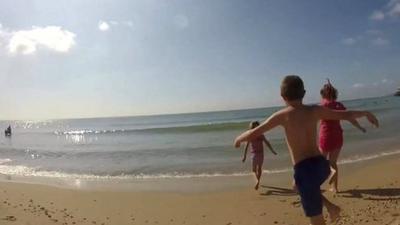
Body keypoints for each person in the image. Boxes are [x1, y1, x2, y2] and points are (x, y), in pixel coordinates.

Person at [234, 75, 379, 225]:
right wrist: (366, 113)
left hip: (304, 170)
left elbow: (254, 132)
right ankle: (331, 206)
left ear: (282, 96)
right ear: (304, 93)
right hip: (320, 165)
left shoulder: (281, 116)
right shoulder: (315, 110)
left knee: (316, 220)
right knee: (297, 186)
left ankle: (330, 208)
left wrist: (238, 139)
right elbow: (345, 115)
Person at [319, 79, 366, 193]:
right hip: (337, 137)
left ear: (323, 94)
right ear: (335, 94)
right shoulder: (339, 105)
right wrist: (360, 127)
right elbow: (350, 117)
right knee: (333, 162)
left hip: (325, 137)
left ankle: (317, 186)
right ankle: (335, 188)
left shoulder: (322, 106)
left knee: (320, 162)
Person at [242, 121, 277, 190]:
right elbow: (267, 143)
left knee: (253, 170)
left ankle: (257, 181)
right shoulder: (261, 135)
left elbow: (246, 146)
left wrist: (244, 156)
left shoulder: (250, 135)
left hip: (254, 154)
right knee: (259, 168)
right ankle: (258, 180)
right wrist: (272, 151)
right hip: (261, 154)